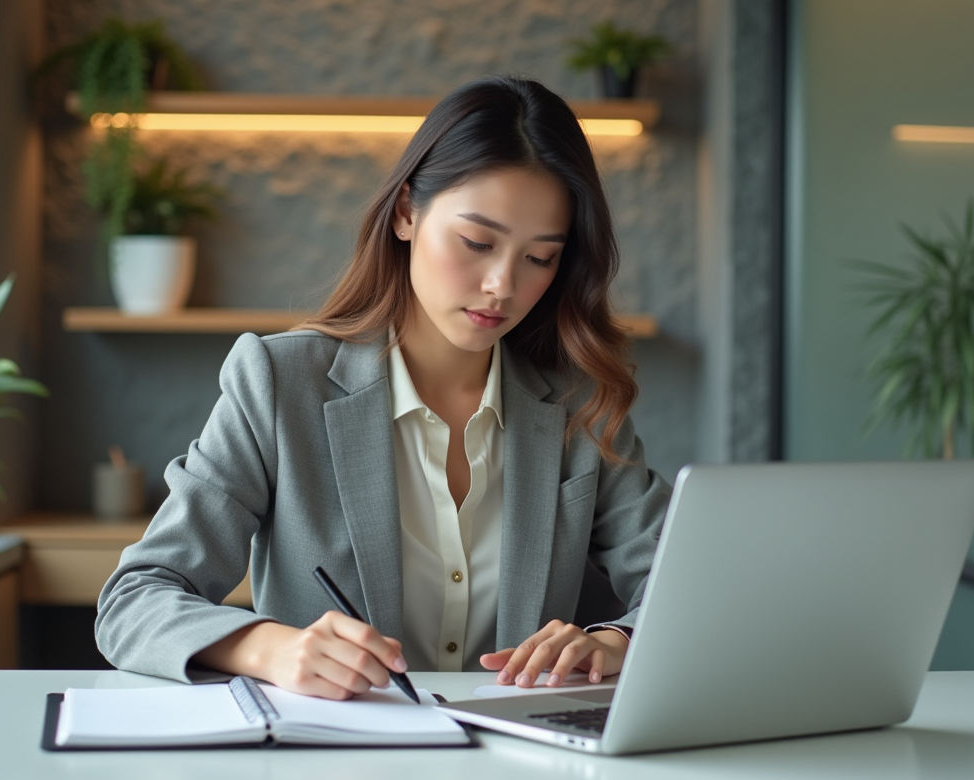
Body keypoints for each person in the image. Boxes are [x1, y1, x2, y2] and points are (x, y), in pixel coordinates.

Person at [95, 75, 672, 700]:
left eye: (540, 258)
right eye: (477, 242)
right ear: (405, 214)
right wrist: (268, 647)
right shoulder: (279, 382)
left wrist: (618, 639)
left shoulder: (577, 403)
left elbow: (693, 588)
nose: (502, 285)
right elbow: (134, 600)